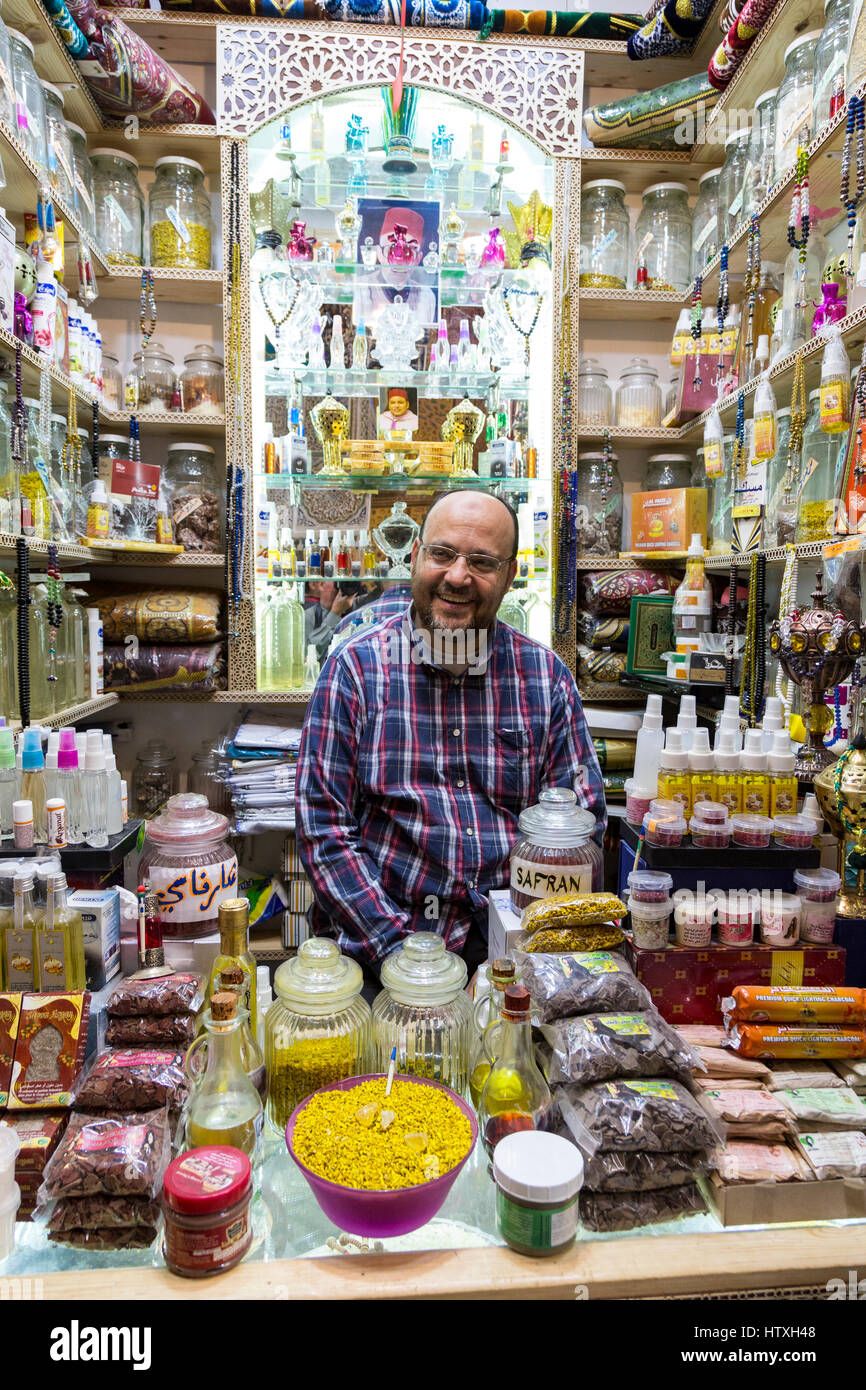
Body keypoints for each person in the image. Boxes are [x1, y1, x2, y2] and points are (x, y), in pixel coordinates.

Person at [296, 489, 606, 989]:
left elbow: (582, 826)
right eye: (442, 554)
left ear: (509, 576)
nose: (457, 576)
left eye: (481, 562)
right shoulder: (355, 669)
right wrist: (404, 958)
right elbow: (323, 831)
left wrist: (531, 945)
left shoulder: (544, 677)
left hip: (513, 943)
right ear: (416, 556)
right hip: (383, 941)